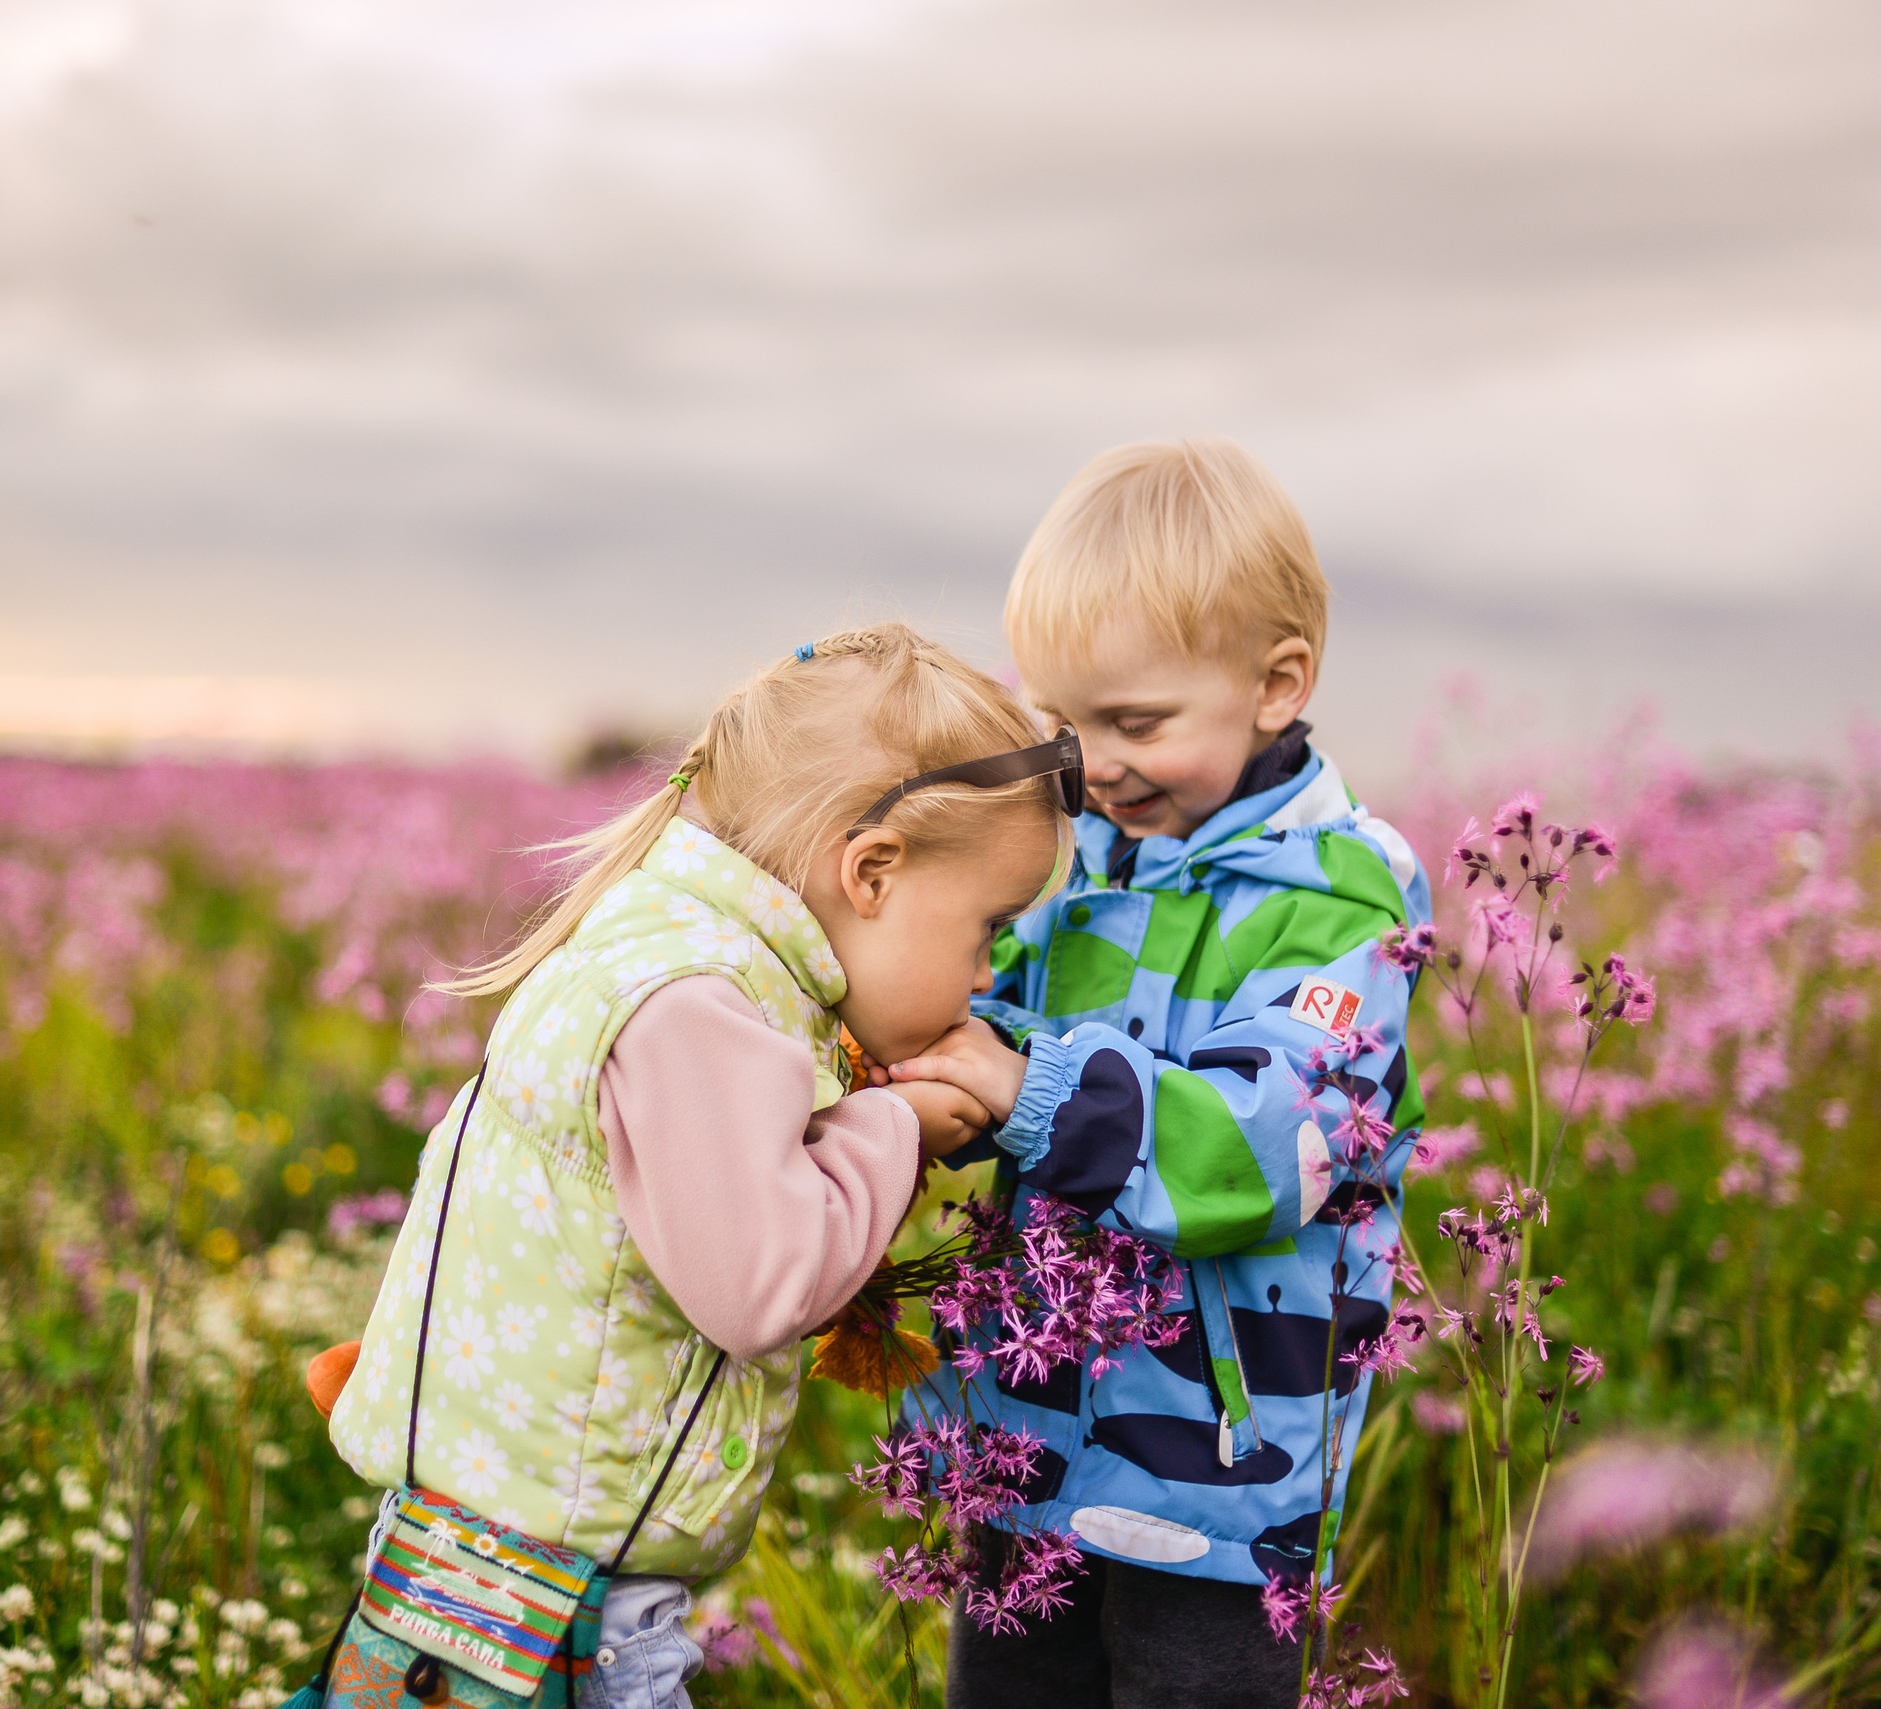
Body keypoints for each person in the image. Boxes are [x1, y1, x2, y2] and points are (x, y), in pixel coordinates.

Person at [318, 623, 1075, 1709]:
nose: (987, 968)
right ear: (870, 871)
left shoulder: (667, 946)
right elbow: (761, 1284)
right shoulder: (699, 1007)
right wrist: (893, 1126)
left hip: (487, 1555)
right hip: (561, 1603)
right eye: (986, 928)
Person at [882, 439, 1434, 1709]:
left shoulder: (1346, 899)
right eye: (1067, 722)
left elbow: (1262, 1149)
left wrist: (1016, 1085)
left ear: (1276, 684)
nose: (1097, 762)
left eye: (1136, 722)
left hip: (1221, 1473)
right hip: (1024, 1433)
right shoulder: (1076, 864)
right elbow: (978, 1035)